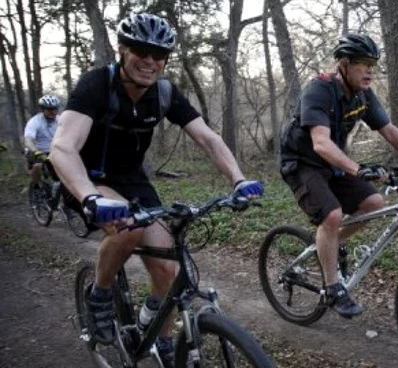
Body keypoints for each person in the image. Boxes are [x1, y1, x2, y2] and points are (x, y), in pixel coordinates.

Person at [50, 13, 263, 367]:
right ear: (122, 49)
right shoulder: (96, 85)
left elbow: (207, 139)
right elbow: (63, 147)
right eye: (140, 50)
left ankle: (159, 336)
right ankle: (100, 295)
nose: (149, 61)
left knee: (167, 267)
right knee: (128, 228)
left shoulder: (164, 93)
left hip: (133, 180)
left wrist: (238, 180)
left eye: (158, 54)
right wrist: (90, 197)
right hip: (86, 178)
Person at [278, 34, 398, 318]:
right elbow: (320, 143)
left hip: (332, 162)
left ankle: (332, 243)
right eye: (363, 64)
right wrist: (357, 168)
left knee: (374, 204)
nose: (369, 71)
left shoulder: (363, 96)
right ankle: (332, 289)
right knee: (332, 215)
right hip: (302, 163)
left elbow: (388, 130)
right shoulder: (319, 90)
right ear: (344, 64)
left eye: (373, 65)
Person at [24, 95, 61, 186]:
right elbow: (28, 139)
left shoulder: (60, 120)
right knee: (37, 166)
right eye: (49, 109)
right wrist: (36, 151)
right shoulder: (35, 121)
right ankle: (35, 187)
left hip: (53, 151)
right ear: (43, 109)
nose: (53, 112)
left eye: (55, 109)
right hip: (37, 150)